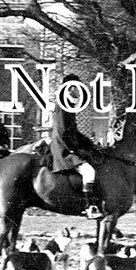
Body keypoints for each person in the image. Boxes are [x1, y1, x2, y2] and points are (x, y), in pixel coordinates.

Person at [49, 75, 104, 219]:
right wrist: (75, 149)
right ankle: (89, 207)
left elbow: (73, 131)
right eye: (75, 87)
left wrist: (89, 144)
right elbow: (62, 132)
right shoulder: (62, 105)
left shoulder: (68, 104)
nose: (78, 91)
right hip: (63, 149)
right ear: (69, 88)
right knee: (89, 171)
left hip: (68, 145)